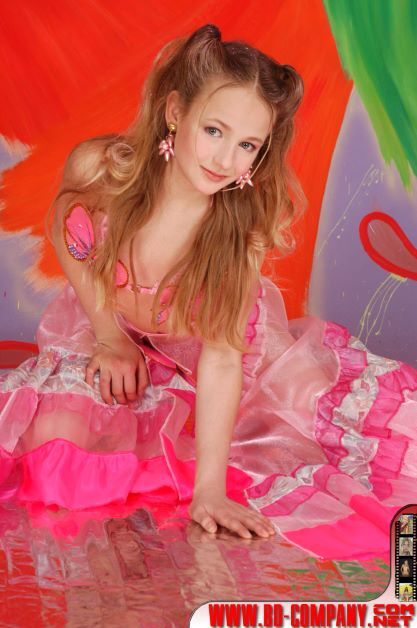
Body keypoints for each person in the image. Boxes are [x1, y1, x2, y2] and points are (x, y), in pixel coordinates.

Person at [0, 24, 416, 558]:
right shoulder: (101, 168)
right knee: (58, 452)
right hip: (111, 326)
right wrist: (108, 335)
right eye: (214, 130)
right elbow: (67, 226)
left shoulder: (236, 236)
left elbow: (221, 359)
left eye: (246, 145)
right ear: (176, 112)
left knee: (343, 432)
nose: (223, 160)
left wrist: (210, 492)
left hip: (201, 357)